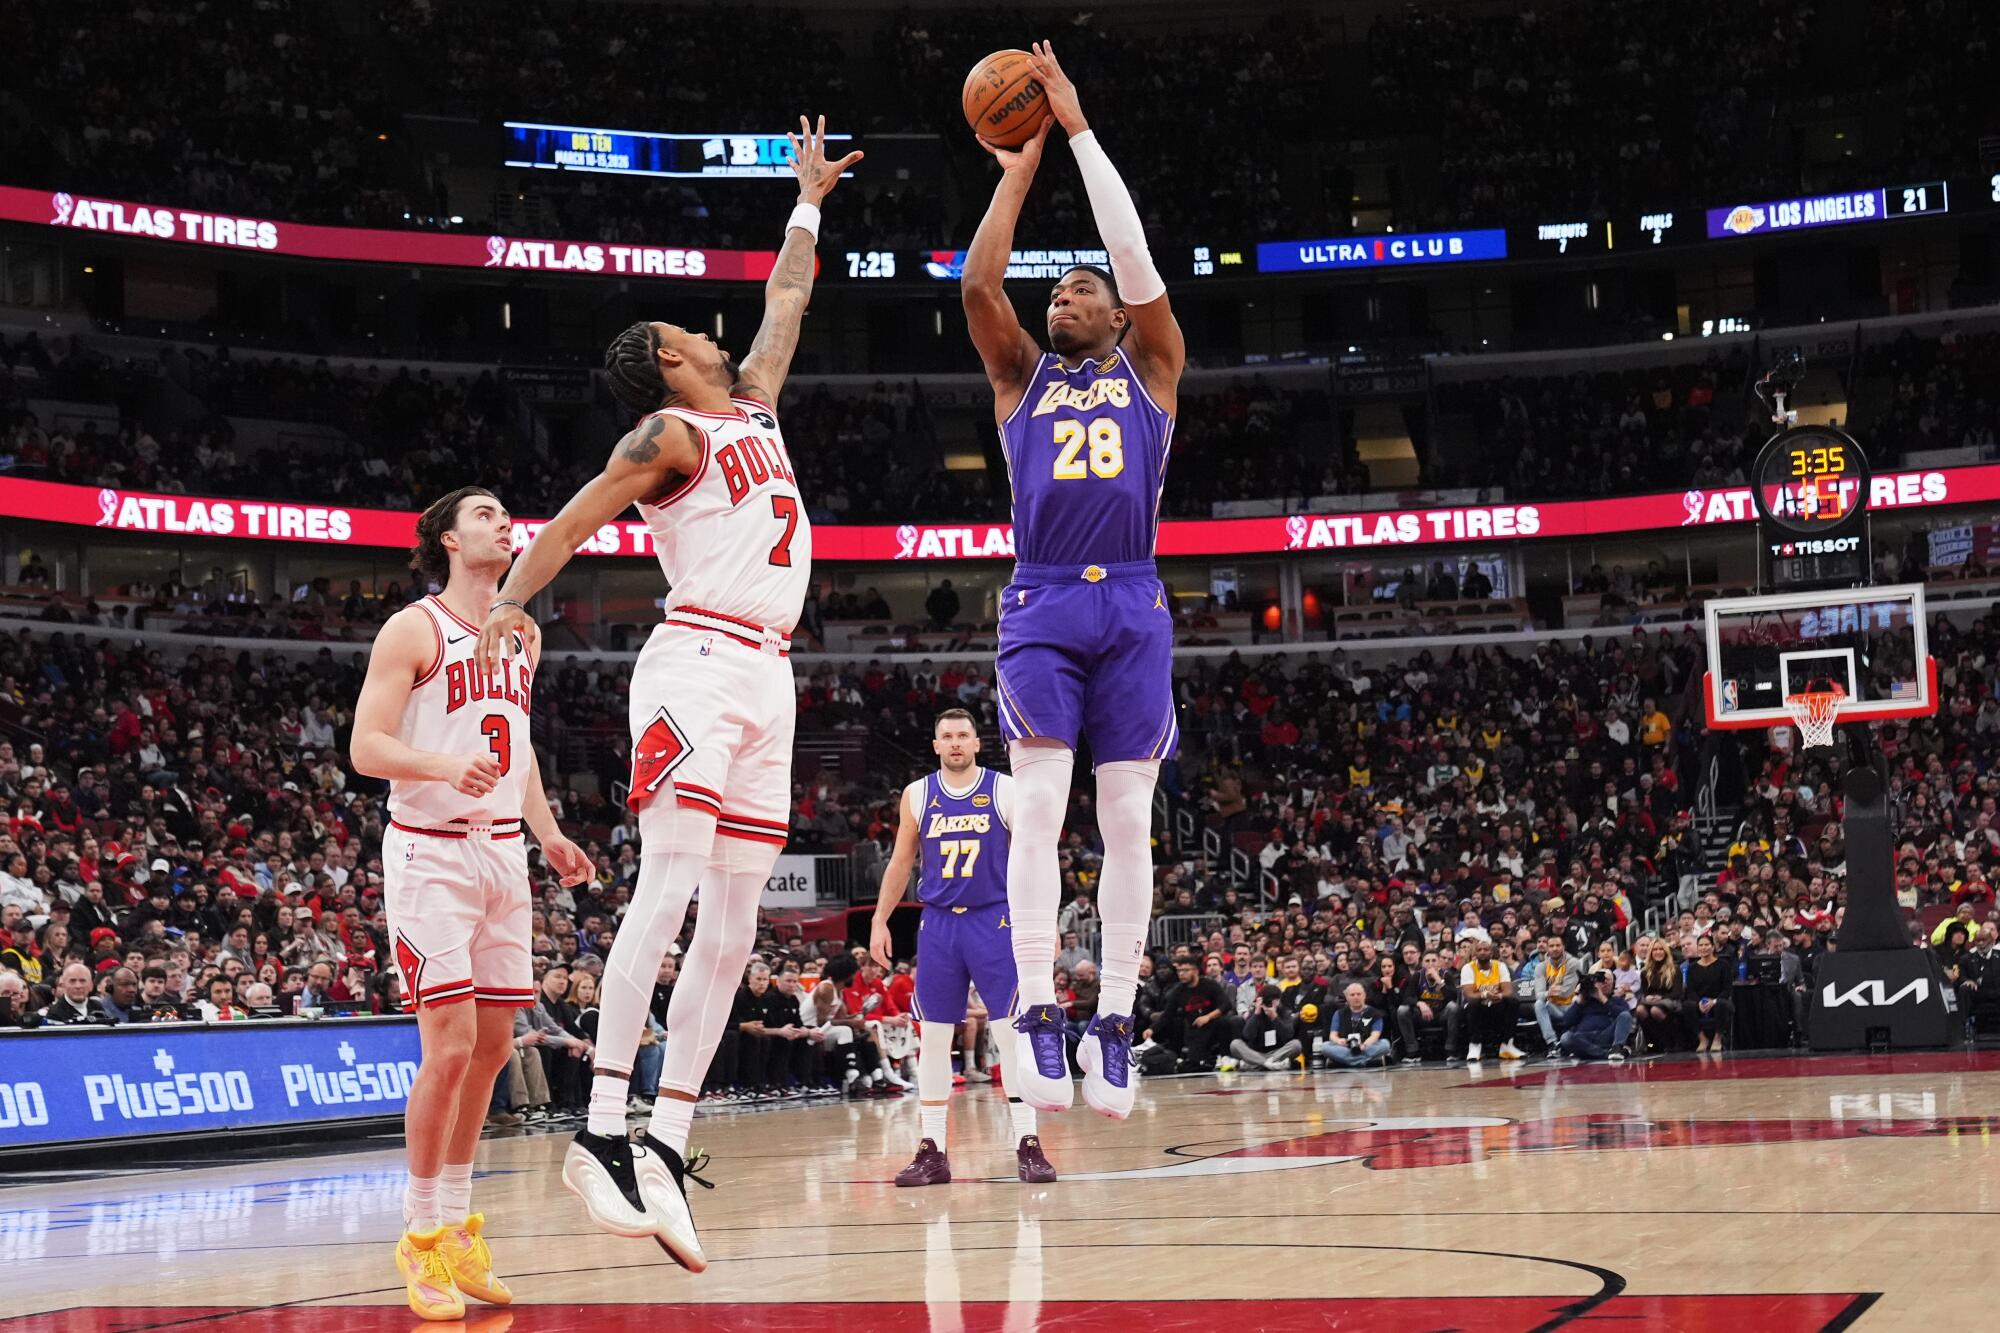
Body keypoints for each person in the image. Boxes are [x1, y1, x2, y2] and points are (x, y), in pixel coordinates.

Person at [478, 120, 861, 1271]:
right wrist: (508, 601)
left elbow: (786, 303)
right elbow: (582, 513)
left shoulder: (750, 404)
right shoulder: (668, 429)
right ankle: (598, 1126)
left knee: (739, 920)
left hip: (769, 675)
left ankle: (666, 1136)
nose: (711, 329)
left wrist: (805, 203)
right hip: (694, 659)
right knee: (676, 882)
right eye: (688, 330)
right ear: (663, 358)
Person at [962, 43, 1186, 1121]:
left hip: (1133, 598)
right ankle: (1039, 1010)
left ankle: (1115, 1016)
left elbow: (1135, 260)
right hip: (1042, 597)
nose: (1066, 292)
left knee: (1129, 822)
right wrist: (1017, 164)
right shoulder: (1019, 376)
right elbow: (976, 283)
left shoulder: (1153, 369)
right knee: (1039, 815)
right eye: (1059, 287)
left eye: (1082, 287)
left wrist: (1082, 130)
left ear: (1115, 318)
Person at [350, 485, 592, 1320]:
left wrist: (550, 832)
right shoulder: (414, 627)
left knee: (492, 1048)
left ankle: (457, 1226)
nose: (501, 520)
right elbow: (366, 745)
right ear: (449, 539)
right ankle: (418, 1237)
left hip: (502, 853)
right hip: (430, 854)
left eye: (502, 511)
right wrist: (442, 767)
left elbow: (516, 752)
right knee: (448, 1048)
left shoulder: (520, 635)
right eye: (483, 513)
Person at [869, 709, 1055, 1188]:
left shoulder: (1003, 789)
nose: (954, 743)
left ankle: (1028, 1144)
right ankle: (933, 1151)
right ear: (935, 745)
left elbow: (1033, 855)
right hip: (938, 927)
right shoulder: (918, 794)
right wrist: (880, 919)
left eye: (962, 736)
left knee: (1011, 1034)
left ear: (976, 743)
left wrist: (1043, 919)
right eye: (946, 736)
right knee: (933, 1038)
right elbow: (901, 862)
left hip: (994, 919)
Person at [1459, 932, 1523, 1062]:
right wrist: (1484, 994)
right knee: (1473, 1004)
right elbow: (1469, 995)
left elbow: (1508, 990)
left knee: (1513, 1002)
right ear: (1475, 953)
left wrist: (1499, 995)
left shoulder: (1500, 966)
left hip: (1496, 1006)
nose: (1482, 952)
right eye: (1479, 950)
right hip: (1477, 1008)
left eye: (1486, 949)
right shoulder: (1467, 968)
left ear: (1492, 952)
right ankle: (1475, 1045)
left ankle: (1507, 1045)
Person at [1557, 966, 1634, 1061]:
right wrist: (1580, 999)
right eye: (1601, 979)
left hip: (1606, 1036)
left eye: (1608, 980)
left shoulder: (1617, 1001)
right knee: (1565, 1037)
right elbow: (1566, 1022)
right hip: (1583, 1038)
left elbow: (1625, 1018)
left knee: (1625, 1015)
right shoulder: (1584, 1001)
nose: (1604, 982)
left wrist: (1602, 998)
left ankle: (1615, 1049)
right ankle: (1607, 1054)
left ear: (1613, 983)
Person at [1321, 982, 1392, 1069]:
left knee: (1385, 1044)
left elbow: (1375, 1035)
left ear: (1364, 995)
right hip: (1346, 1048)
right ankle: (1363, 1061)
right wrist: (1339, 1041)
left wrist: (1365, 1045)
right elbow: (1332, 1035)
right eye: (1352, 995)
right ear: (1347, 998)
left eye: (1359, 994)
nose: (1356, 997)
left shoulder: (1374, 1013)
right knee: (1325, 1047)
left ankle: (1348, 1062)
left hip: (1365, 1046)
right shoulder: (1339, 1013)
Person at [1230, 986, 1303, 1071]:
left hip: (1278, 1052)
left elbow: (1289, 1035)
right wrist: (1256, 1014)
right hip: (1256, 1053)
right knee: (1235, 1044)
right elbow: (1247, 1035)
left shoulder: (1284, 1012)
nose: (1269, 1004)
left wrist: (1275, 1017)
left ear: (1278, 1001)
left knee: (1296, 1044)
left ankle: (1255, 1065)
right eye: (1267, 1002)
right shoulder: (1256, 1012)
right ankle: (1269, 1064)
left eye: (1272, 1002)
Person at [1684, 931, 1734, 1052]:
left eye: (1706, 945)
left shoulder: (1723, 965)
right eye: (1700, 945)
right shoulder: (1692, 968)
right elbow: (1691, 991)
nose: (1703, 948)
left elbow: (1727, 989)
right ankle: (1702, 1038)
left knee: (1722, 1004)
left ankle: (1718, 1038)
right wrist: (1699, 1003)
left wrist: (1714, 1001)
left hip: (1719, 1000)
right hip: (1700, 1002)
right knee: (1687, 1006)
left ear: (1713, 947)